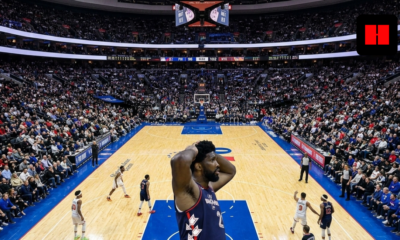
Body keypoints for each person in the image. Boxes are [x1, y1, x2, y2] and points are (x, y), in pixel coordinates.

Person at [170, 140, 236, 240]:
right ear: (199, 166)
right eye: (213, 160)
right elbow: (179, 160)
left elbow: (231, 171)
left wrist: (208, 151)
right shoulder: (190, 191)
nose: (218, 164)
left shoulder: (209, 187)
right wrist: (192, 149)